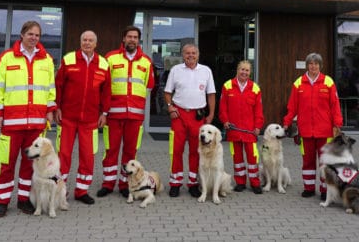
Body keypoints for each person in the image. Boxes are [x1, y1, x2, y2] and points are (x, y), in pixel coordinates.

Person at [0, 21, 56, 217]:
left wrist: (50, 109)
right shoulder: (6, 58)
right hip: (11, 123)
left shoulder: (47, 60)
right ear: (22, 35)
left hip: (36, 124)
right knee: (7, 163)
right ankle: (2, 201)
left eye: (37, 35)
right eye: (30, 34)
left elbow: (50, 88)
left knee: (29, 165)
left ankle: (23, 200)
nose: (33, 38)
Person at [96, 25, 155, 198]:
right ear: (123, 39)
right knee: (111, 150)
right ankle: (108, 184)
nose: (132, 40)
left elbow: (149, 86)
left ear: (139, 40)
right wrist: (104, 112)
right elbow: (104, 86)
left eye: (135, 37)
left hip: (135, 117)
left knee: (130, 152)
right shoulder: (110, 58)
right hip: (113, 115)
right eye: (129, 36)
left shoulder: (146, 61)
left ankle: (124, 184)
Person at [55, 30, 111, 205]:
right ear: (80, 42)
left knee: (88, 156)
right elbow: (58, 85)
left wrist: (104, 113)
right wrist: (56, 107)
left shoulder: (103, 63)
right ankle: (59, 191)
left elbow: (107, 91)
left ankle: (81, 191)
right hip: (68, 118)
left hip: (90, 120)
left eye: (90, 40)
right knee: (63, 155)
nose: (87, 43)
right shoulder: (68, 59)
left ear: (96, 44)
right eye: (84, 40)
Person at [283, 52, 342, 200]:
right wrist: (286, 122)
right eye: (310, 63)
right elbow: (292, 107)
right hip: (305, 131)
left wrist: (337, 124)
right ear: (307, 65)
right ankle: (308, 188)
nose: (313, 66)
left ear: (320, 66)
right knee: (307, 161)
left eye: (316, 64)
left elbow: (335, 106)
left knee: (325, 162)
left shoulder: (328, 82)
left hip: (325, 130)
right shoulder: (298, 83)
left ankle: (324, 190)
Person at [164, 43, 216, 197]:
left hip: (197, 116)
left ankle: (193, 183)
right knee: (177, 150)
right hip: (179, 115)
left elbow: (211, 94)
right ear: (183, 55)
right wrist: (169, 106)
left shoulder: (206, 71)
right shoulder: (175, 70)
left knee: (196, 151)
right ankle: (175, 183)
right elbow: (167, 92)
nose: (191, 55)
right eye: (187, 53)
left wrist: (211, 114)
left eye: (193, 53)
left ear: (198, 55)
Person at [218, 60, 264, 194]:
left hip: (250, 131)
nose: (244, 72)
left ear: (250, 72)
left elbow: (259, 111)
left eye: (247, 70)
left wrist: (258, 126)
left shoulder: (255, 88)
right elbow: (223, 108)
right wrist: (225, 121)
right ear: (237, 70)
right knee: (237, 158)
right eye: (242, 69)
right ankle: (240, 182)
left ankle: (255, 183)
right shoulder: (227, 86)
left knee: (252, 158)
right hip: (234, 130)